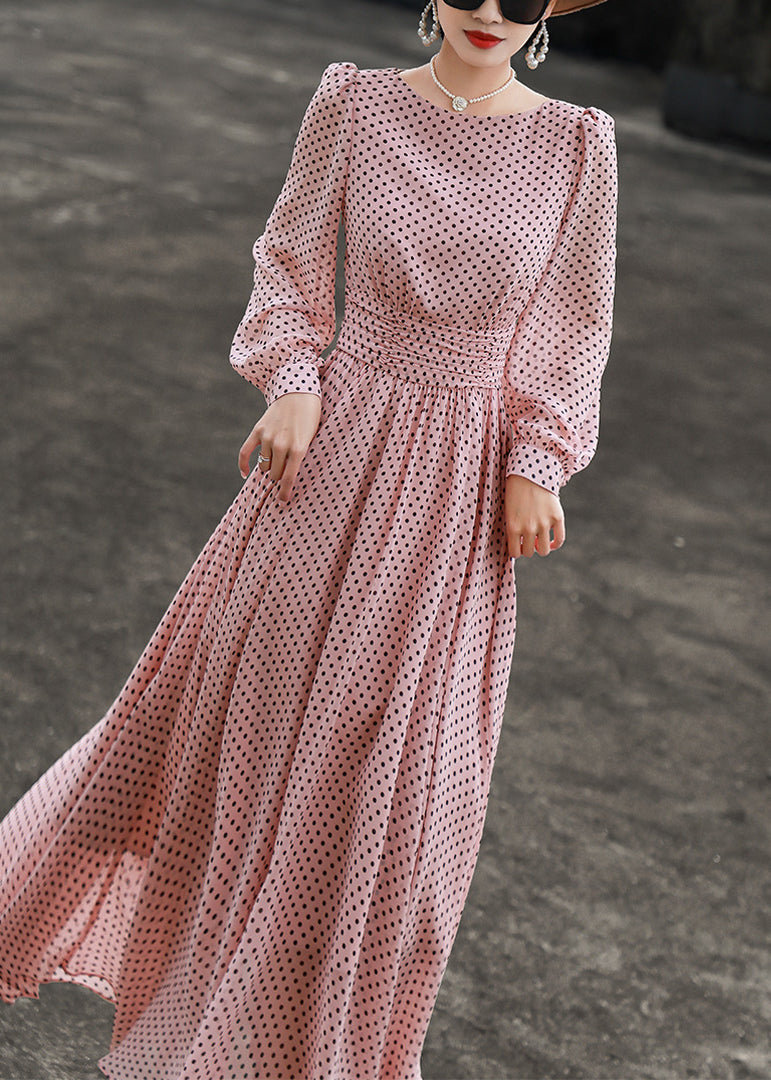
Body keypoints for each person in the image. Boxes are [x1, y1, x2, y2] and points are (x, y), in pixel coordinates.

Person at [0, 0, 618, 1077]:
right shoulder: (355, 102)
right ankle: (192, 1040)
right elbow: (286, 264)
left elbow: (572, 329)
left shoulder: (579, 143)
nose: (489, 12)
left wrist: (537, 459)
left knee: (400, 814)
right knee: (243, 753)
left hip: (457, 510)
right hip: (323, 475)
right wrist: (292, 381)